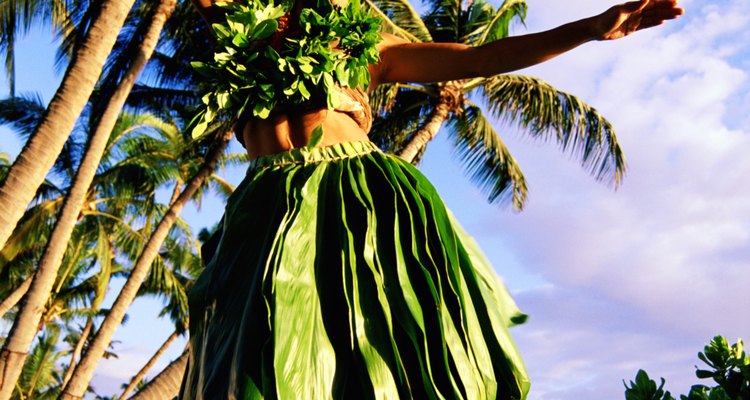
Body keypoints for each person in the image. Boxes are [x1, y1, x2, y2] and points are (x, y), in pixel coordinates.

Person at [180, 1, 684, 399]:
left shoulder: (369, 48)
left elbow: (481, 59)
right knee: (252, 363)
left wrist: (589, 27)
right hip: (266, 208)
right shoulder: (240, 26)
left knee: (379, 353)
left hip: (356, 196)